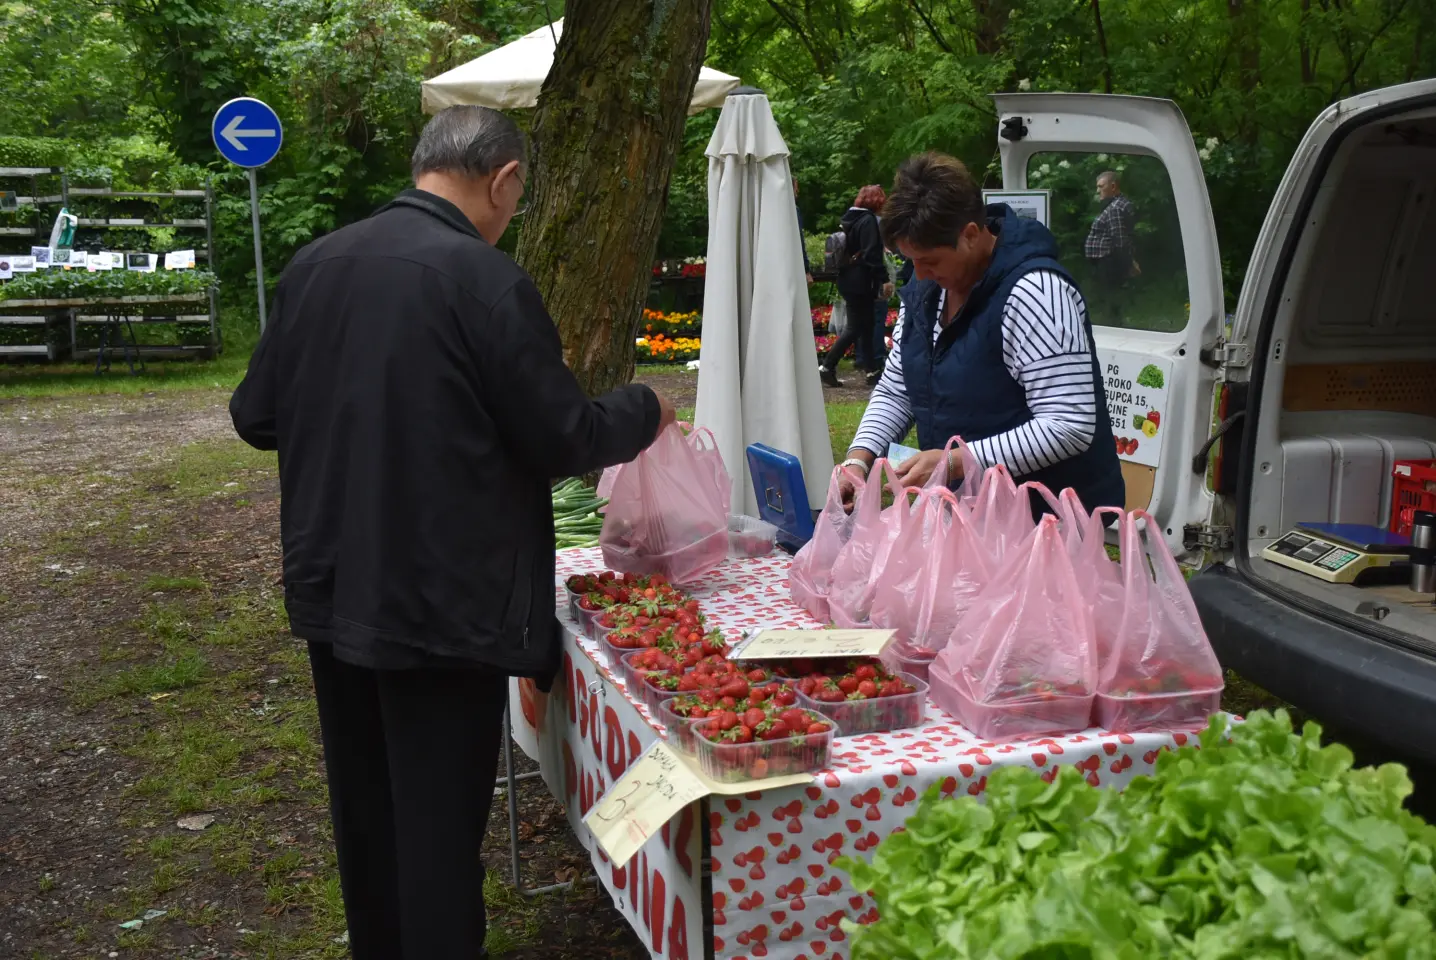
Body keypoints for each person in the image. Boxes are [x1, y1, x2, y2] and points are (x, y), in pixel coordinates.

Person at [228, 105, 674, 960]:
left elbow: (256, 415)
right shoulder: (483, 281)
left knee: (366, 812)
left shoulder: (315, 265)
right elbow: (563, 437)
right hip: (445, 601)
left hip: (336, 585)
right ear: (504, 181)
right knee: (435, 830)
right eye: (518, 197)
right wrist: (645, 408)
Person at [840, 152, 1123, 516]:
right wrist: (859, 460)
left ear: (970, 235)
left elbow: (1069, 423)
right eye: (912, 261)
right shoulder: (925, 291)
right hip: (973, 513)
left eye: (930, 261)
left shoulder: (1035, 292)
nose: (919, 274)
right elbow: (898, 388)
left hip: (1046, 521)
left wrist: (956, 461)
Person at [818, 184, 887, 388]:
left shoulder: (851, 219)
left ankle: (872, 370)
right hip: (861, 281)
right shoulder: (867, 221)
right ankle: (827, 366)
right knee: (856, 326)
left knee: (866, 325)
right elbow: (871, 254)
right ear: (876, 201)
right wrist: (884, 278)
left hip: (848, 278)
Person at [1084, 170, 1137, 324]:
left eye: (1101, 186)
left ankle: (1113, 324)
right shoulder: (1117, 204)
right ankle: (1113, 321)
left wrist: (1129, 263)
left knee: (1111, 296)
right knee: (1109, 295)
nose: (1098, 190)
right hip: (1108, 259)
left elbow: (1119, 239)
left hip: (1109, 260)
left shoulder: (1115, 208)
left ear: (1113, 186)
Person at [794, 177, 813, 285]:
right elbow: (799, 240)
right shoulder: (793, 210)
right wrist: (806, 270)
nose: (797, 193)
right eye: (796, 190)